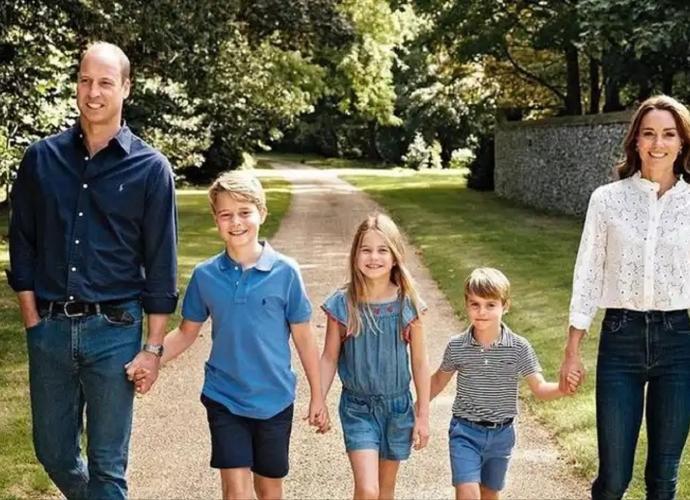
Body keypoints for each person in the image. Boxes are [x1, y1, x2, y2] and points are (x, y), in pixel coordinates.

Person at [7, 42, 177, 499]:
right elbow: (22, 242)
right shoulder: (41, 159)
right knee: (54, 452)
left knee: (107, 465)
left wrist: (153, 349)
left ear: (126, 88)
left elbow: (161, 263)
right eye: (85, 81)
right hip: (50, 328)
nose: (93, 92)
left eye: (105, 82)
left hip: (114, 331)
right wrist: (31, 318)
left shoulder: (151, 168)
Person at [130, 170, 328, 500]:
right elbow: (186, 333)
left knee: (269, 490)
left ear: (262, 213)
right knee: (236, 491)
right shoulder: (205, 275)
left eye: (244, 212)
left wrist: (318, 395)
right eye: (226, 215)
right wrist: (150, 357)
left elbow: (305, 339)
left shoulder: (286, 273)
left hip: (275, 397)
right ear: (216, 220)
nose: (236, 222)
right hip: (224, 396)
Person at [559, 94, 690, 500]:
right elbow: (587, 274)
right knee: (614, 479)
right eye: (648, 133)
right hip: (621, 337)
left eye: (669, 134)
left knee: (663, 479)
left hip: (680, 342)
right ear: (635, 140)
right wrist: (572, 350)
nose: (658, 143)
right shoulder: (607, 199)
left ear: (682, 143)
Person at [431, 268, 580, 500]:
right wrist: (418, 406)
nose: (482, 312)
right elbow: (438, 380)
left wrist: (562, 388)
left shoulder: (519, 347)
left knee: (489, 493)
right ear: (466, 304)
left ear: (505, 306)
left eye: (490, 305)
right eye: (475, 304)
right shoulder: (457, 346)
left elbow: (539, 388)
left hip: (502, 435)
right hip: (465, 432)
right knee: (467, 492)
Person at [319, 212, 430, 500]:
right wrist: (319, 398)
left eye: (383, 250)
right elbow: (329, 357)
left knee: (385, 490)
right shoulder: (343, 304)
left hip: (397, 408)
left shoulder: (408, 304)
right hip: (357, 408)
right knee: (368, 489)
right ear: (355, 255)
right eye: (366, 249)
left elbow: (420, 363)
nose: (374, 257)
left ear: (394, 257)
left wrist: (423, 415)